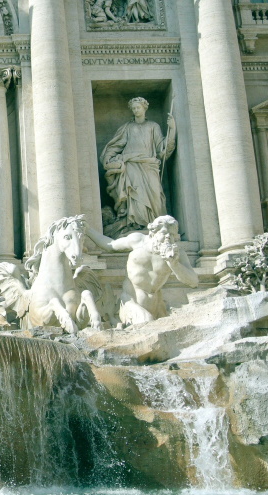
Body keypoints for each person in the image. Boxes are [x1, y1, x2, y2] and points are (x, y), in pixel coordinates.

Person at [85, 215, 198, 326]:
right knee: (147, 323)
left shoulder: (177, 254)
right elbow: (110, 245)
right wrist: (87, 230)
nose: (168, 237)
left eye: (172, 234)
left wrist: (174, 264)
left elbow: (194, 282)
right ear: (153, 232)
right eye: (164, 233)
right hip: (131, 302)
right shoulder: (138, 240)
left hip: (157, 305)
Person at [100, 97, 175, 237]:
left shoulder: (153, 126)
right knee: (135, 195)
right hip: (132, 165)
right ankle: (136, 224)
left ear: (144, 108)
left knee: (155, 196)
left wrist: (172, 129)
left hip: (149, 165)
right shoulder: (127, 128)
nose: (135, 110)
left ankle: (155, 225)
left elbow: (162, 149)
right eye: (133, 108)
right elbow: (116, 145)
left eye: (138, 107)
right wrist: (108, 158)